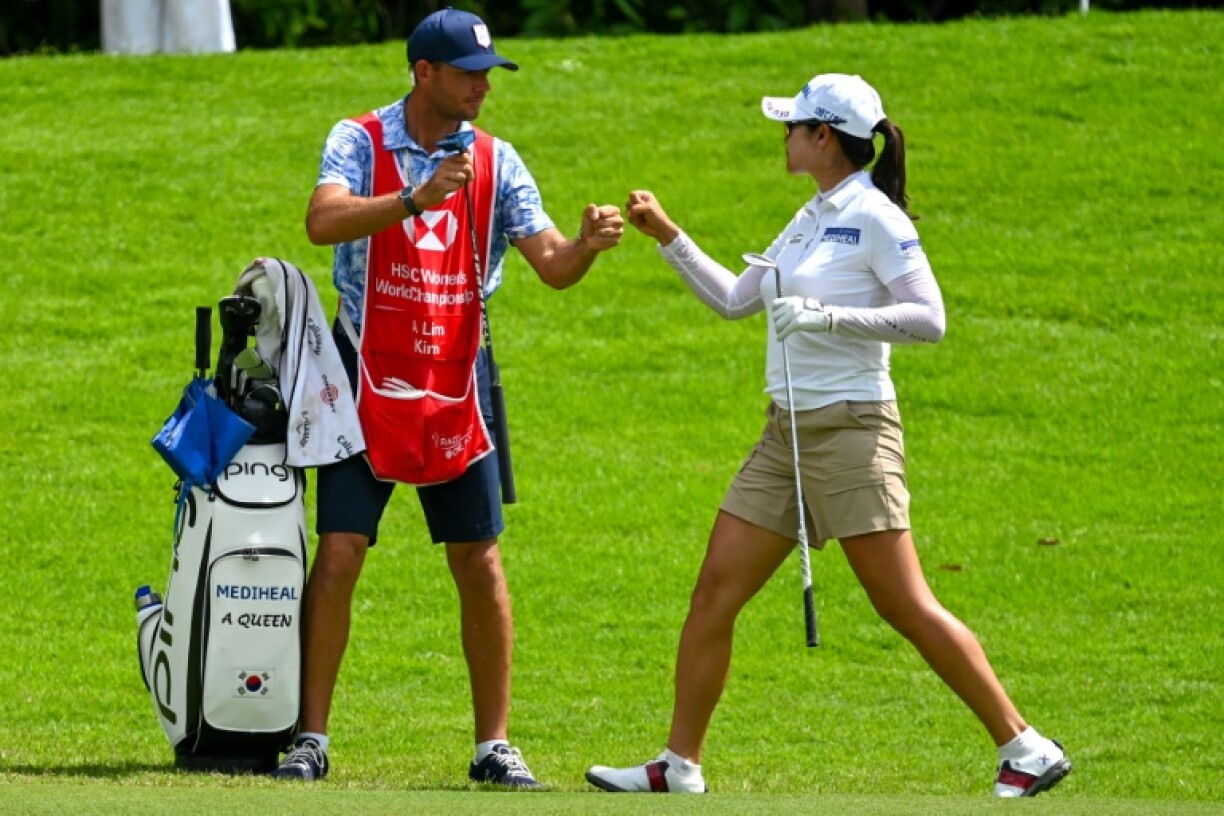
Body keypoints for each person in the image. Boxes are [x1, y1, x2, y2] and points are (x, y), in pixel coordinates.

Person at [585, 73, 1071, 798]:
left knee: (901, 602)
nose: (782, 136)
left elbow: (929, 320)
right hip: (784, 438)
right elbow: (734, 301)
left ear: (823, 138)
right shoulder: (809, 216)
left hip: (851, 430)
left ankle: (1026, 747)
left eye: (793, 126)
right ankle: (679, 766)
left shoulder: (877, 218)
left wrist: (827, 317)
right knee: (714, 590)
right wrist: (671, 239)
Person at [272, 7, 624, 786]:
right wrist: (416, 198)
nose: (480, 88)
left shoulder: (500, 162)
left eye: (487, 75)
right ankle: (311, 739)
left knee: (480, 563)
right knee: (338, 555)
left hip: (455, 387)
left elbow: (553, 267)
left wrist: (587, 245)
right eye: (467, 73)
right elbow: (321, 221)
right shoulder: (359, 140)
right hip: (361, 378)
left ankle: (493, 746)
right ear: (423, 72)